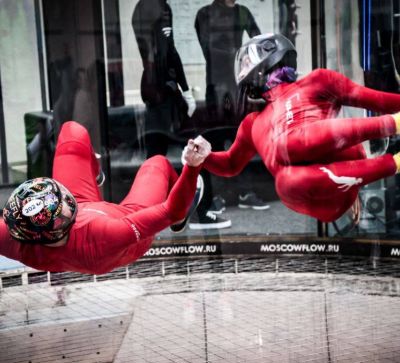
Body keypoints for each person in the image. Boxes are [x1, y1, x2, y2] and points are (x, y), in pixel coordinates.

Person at [190, 33, 400, 224]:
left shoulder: (318, 81)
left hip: (345, 158)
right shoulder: (251, 124)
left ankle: (394, 129)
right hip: (312, 190)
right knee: (285, 181)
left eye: (246, 63)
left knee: (285, 144)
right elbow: (230, 164)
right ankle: (394, 160)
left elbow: (383, 101)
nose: (241, 72)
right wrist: (203, 157)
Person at [0, 121, 209, 275]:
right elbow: (170, 210)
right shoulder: (103, 234)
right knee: (157, 163)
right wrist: (192, 167)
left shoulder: (20, 238)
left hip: (83, 210)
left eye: (58, 196)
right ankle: (182, 220)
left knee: (72, 131)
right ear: (55, 226)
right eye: (61, 203)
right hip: (124, 224)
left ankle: (95, 173)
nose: (65, 198)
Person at [193, 0, 268, 227]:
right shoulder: (205, 14)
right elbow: (210, 50)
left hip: (236, 88)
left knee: (240, 140)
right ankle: (214, 196)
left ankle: (244, 192)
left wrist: (251, 61)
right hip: (216, 87)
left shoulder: (242, 12)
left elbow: (260, 42)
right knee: (215, 142)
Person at [132, 0, 196, 159]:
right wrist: (185, 90)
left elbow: (162, 50)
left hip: (155, 86)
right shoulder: (158, 8)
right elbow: (168, 50)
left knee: (158, 147)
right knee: (184, 145)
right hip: (162, 88)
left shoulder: (143, 8)